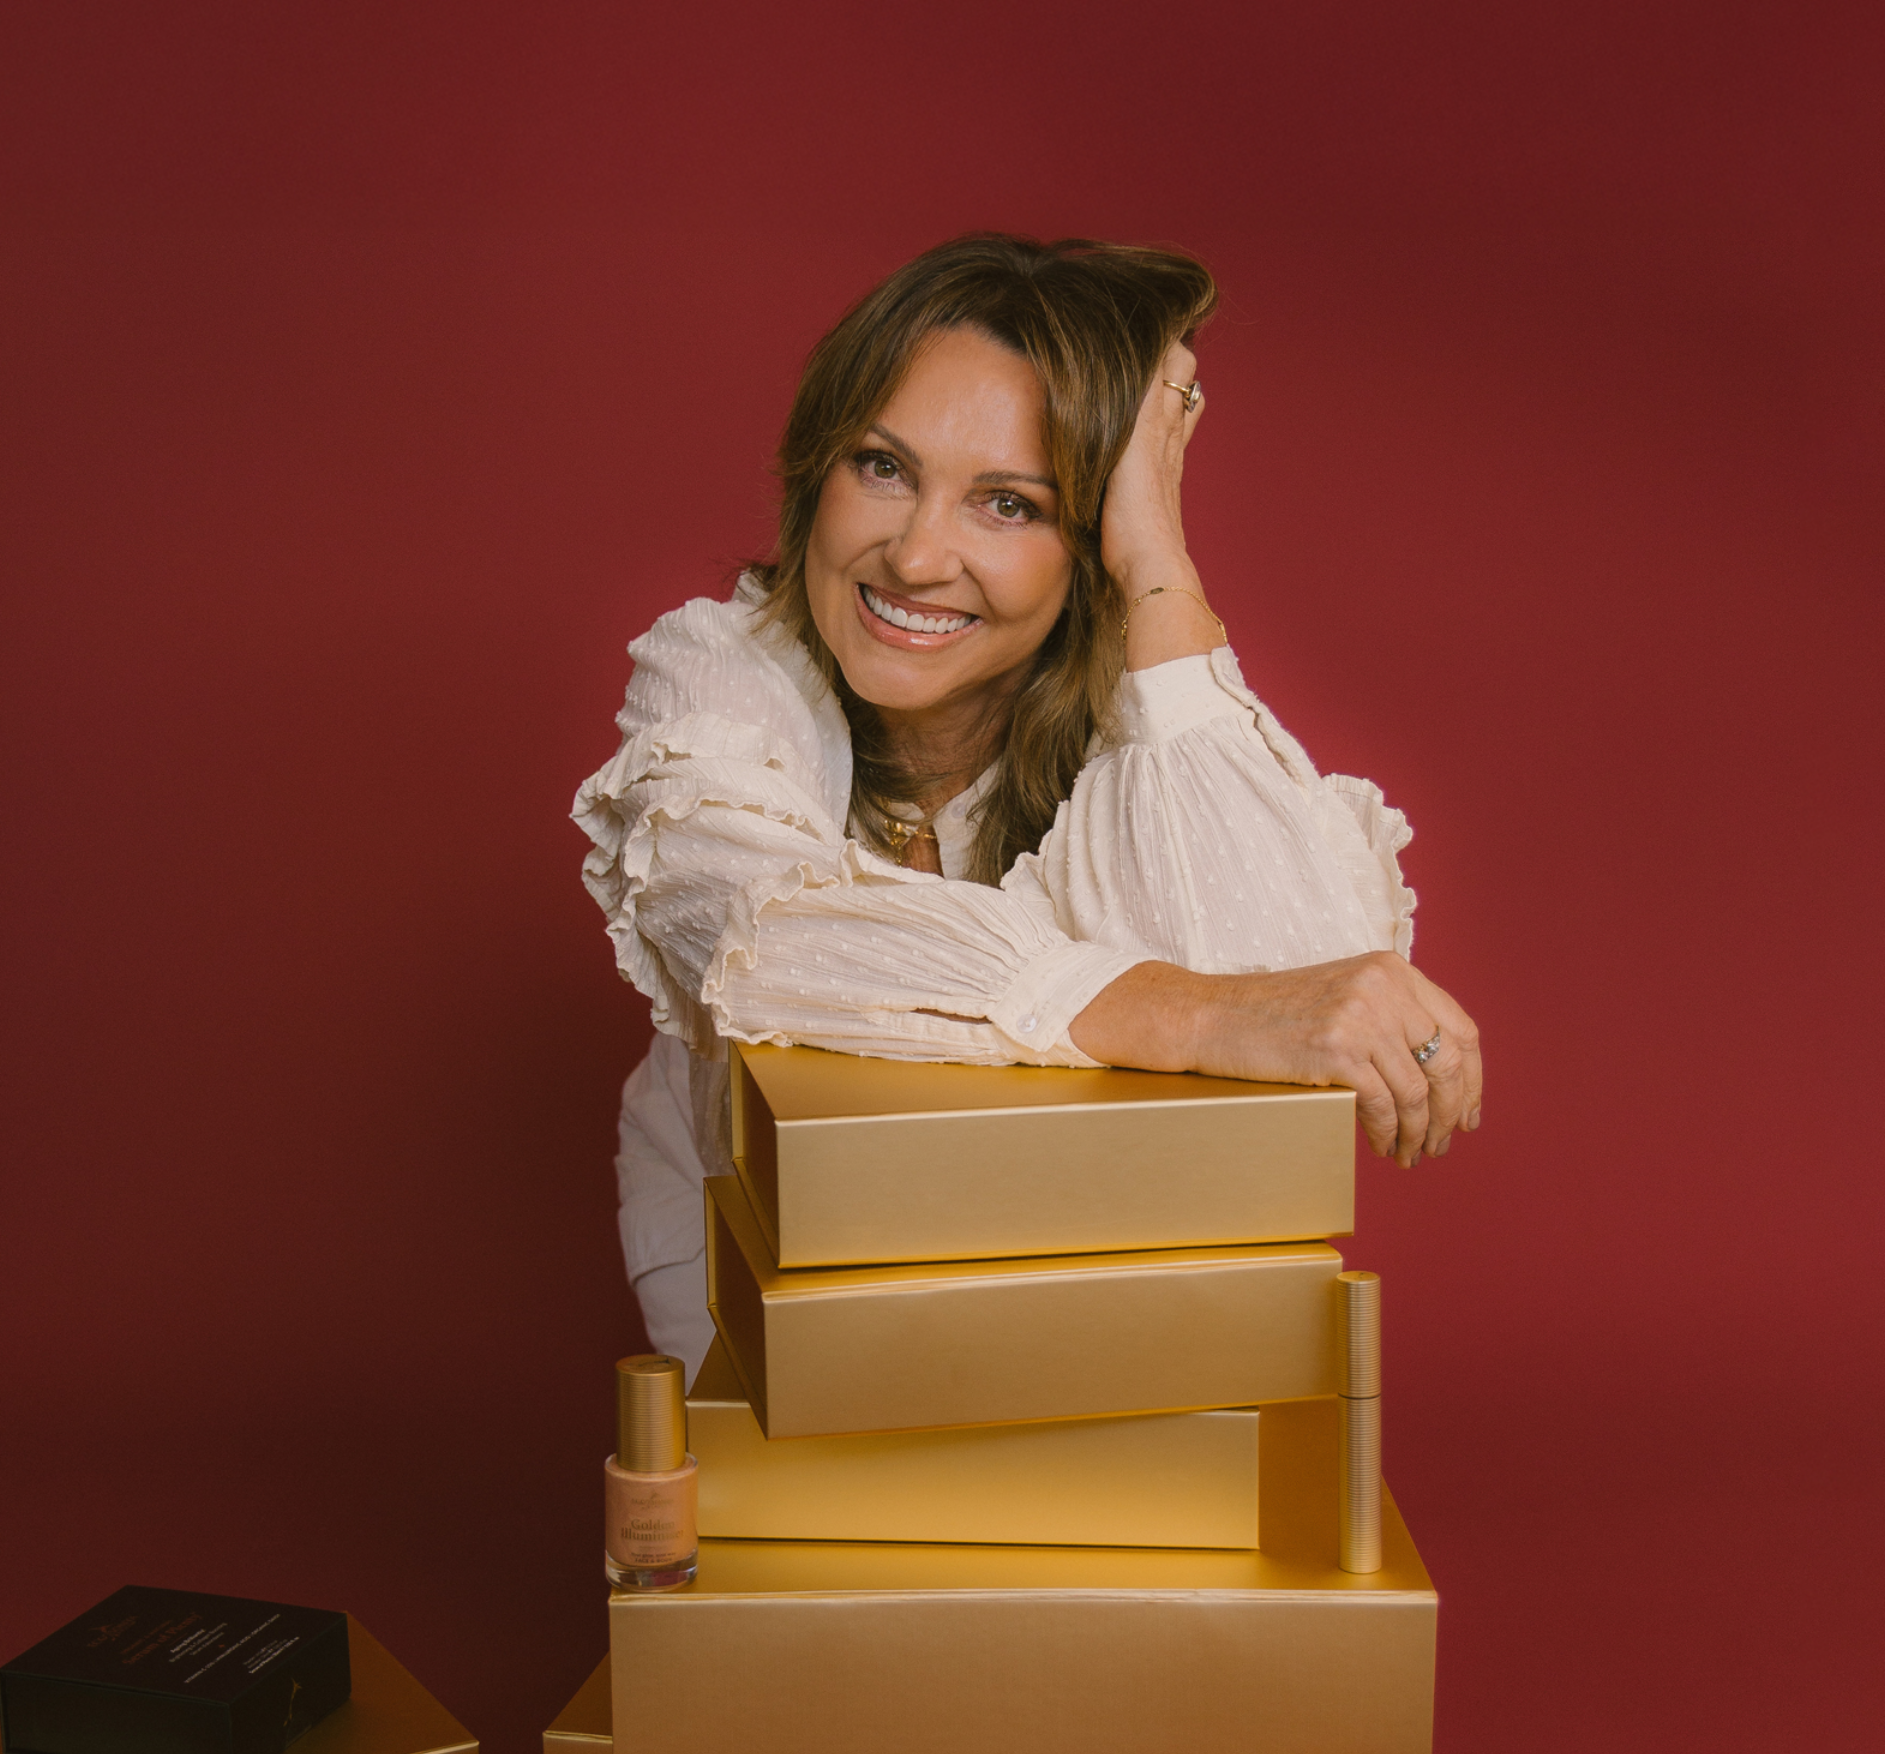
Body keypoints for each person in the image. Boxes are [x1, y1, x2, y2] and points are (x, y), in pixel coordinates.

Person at [572, 233, 1489, 1377]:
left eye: (1009, 504)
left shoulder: (1138, 735)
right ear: (818, 469)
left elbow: (1301, 983)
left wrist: (1157, 558)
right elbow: (765, 934)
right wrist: (1201, 1016)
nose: (915, 556)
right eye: (884, 467)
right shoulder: (721, 668)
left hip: (1086, 1286)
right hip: (747, 1266)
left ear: (1087, 540)